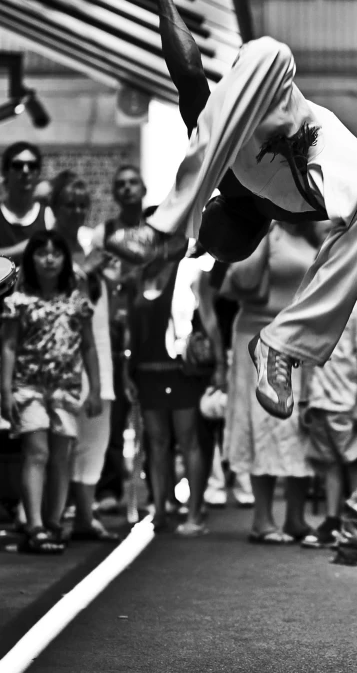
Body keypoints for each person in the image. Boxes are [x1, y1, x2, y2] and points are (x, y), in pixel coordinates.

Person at [105, 0, 357, 421]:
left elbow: (187, 72)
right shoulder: (298, 208)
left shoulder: (232, 171)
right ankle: (281, 345)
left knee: (267, 56)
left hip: (285, 143)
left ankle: (166, 228)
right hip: (318, 156)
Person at [0, 231, 101, 554]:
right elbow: (9, 346)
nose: (48, 258)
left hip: (65, 387)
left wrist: (95, 388)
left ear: (65, 259)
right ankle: (35, 526)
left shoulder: (77, 301)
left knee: (61, 456)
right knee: (37, 452)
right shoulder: (18, 300)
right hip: (28, 386)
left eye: (55, 253)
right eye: (41, 253)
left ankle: (54, 522)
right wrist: (4, 388)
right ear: (30, 259)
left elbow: (88, 346)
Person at [222, 222, 317, 544]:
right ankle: (262, 519)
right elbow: (242, 280)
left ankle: (295, 518)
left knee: (299, 425)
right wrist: (262, 227)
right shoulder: (266, 229)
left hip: (299, 338)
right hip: (258, 334)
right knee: (263, 420)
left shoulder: (311, 232)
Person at [124, 243, 226, 535]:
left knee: (189, 440)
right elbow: (131, 329)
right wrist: (126, 370)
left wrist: (220, 365)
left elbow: (209, 318)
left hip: (183, 371)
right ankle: (159, 510)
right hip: (147, 370)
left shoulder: (192, 271)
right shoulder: (137, 276)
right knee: (155, 444)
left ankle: (194, 512)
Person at [50, 172, 118, 541]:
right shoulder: (45, 248)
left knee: (96, 436)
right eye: (68, 204)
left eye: (81, 205)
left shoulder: (93, 242)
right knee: (59, 437)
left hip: (100, 348)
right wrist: (81, 270)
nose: (76, 211)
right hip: (59, 355)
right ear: (54, 207)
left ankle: (85, 517)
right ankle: (52, 517)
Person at [298, 295, 357, 549]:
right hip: (320, 398)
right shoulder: (319, 302)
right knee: (329, 462)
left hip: (346, 399)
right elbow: (307, 353)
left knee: (354, 462)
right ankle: (333, 521)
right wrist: (305, 399)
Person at [91, 165, 147, 512]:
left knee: (155, 412)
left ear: (143, 189)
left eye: (132, 183)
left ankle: (159, 489)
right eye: (121, 185)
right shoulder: (104, 232)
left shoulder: (158, 227)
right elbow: (90, 269)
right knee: (114, 415)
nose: (127, 190)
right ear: (114, 193)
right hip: (112, 327)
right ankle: (109, 489)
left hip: (149, 324)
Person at [0, 143, 54, 263]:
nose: (25, 170)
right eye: (17, 165)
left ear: (38, 172)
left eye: (32, 165)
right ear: (5, 172)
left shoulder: (48, 216)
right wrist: (28, 246)